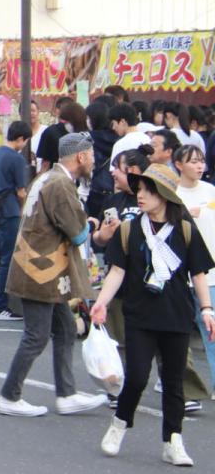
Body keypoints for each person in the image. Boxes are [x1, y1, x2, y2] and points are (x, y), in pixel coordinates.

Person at [92, 164, 215, 466]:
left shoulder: (185, 228)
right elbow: (117, 271)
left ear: (164, 195)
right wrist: (102, 302)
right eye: (140, 190)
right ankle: (120, 423)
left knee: (173, 383)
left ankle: (173, 440)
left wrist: (207, 308)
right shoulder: (129, 229)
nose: (141, 196)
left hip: (176, 314)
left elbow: (198, 273)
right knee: (136, 376)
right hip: (140, 315)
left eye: (148, 190)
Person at [0, 132, 107, 418]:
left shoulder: (46, 177)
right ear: (81, 156)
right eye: (92, 155)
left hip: (42, 268)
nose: (94, 160)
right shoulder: (60, 184)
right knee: (37, 335)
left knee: (67, 330)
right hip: (41, 270)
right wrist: (95, 226)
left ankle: (66, 394)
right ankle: (10, 395)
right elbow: (79, 233)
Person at [174, 145, 215, 391]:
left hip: (209, 273)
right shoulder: (172, 193)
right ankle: (173, 379)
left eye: (201, 161)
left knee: (210, 331)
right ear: (179, 165)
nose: (199, 166)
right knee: (176, 333)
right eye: (193, 161)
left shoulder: (210, 190)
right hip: (179, 274)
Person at [0, 120, 33, 321]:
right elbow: (21, 192)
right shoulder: (17, 159)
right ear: (21, 139)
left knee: (3, 257)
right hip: (11, 210)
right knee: (7, 259)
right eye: (25, 140)